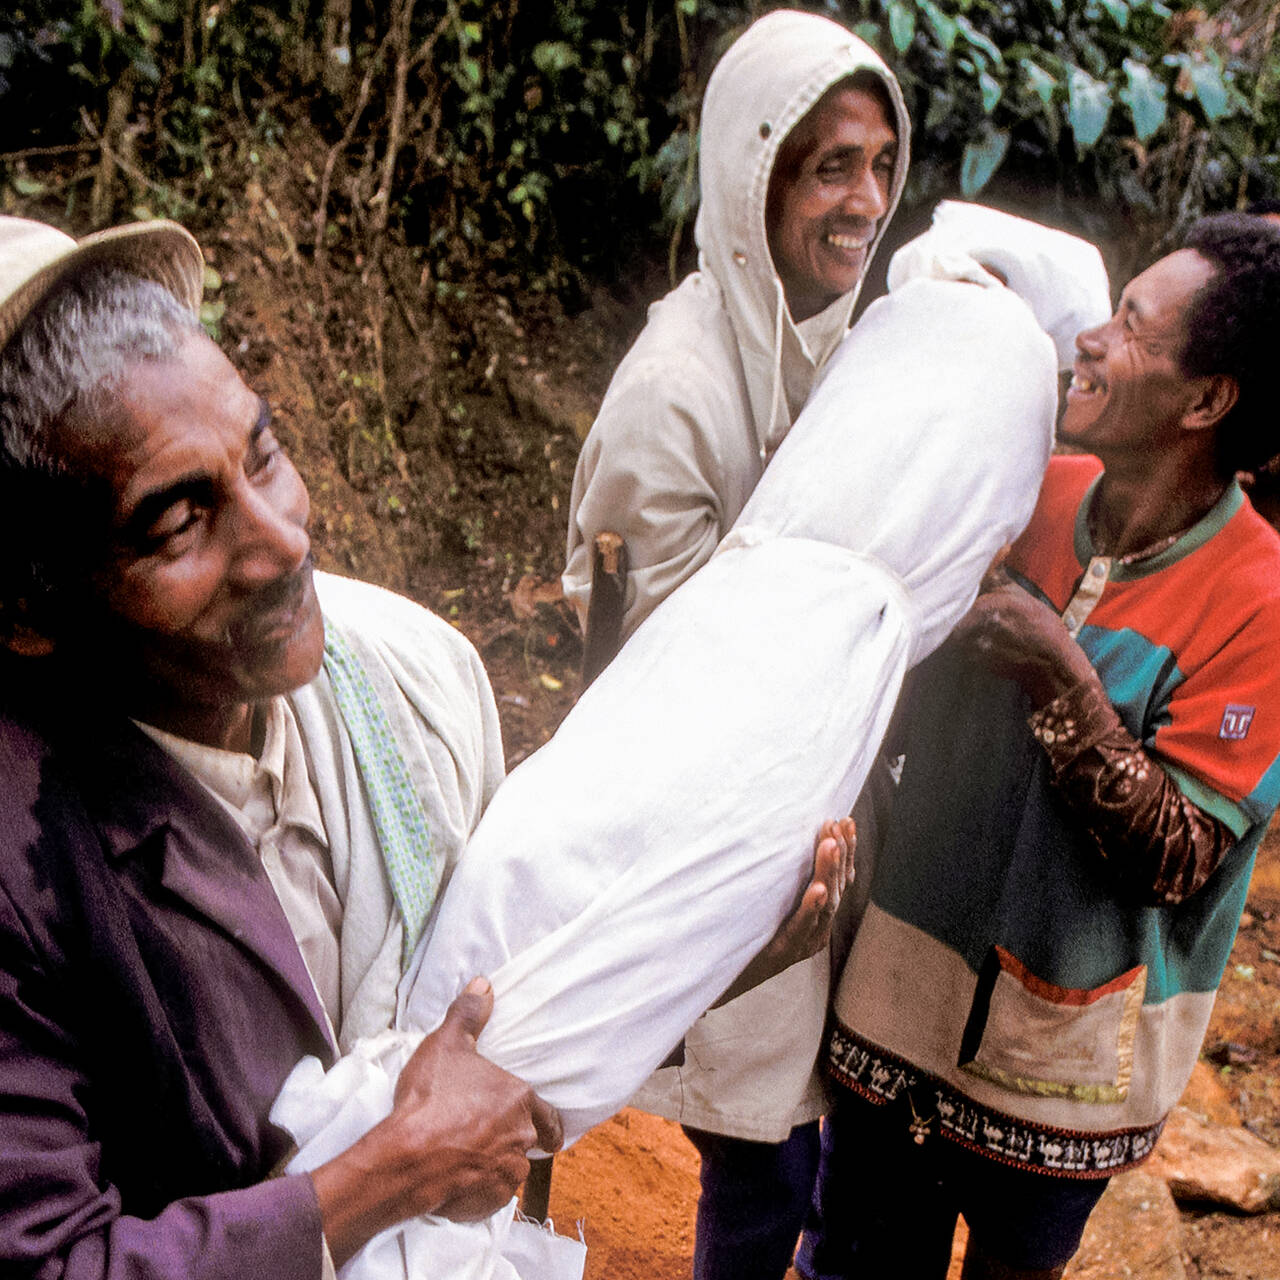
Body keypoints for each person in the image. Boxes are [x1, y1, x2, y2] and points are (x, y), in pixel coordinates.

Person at [0, 214, 566, 1278]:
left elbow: (499, 987)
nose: (284, 540)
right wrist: (389, 1173)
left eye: (263, 453)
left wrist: (707, 952)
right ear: (26, 610)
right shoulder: (22, 856)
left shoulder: (409, 685)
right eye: (179, 524)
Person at [797, 213, 1280, 1280]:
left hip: (1064, 1073)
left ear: (1205, 401)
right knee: (847, 1261)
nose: (1091, 341)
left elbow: (1176, 858)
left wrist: (1055, 668)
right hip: (895, 1007)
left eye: (1130, 328)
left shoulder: (1258, 601)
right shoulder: (1025, 488)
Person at [561, 12, 909, 1277]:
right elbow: (656, 668)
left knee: (803, 1140)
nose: (864, 199)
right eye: (828, 166)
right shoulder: (675, 394)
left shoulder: (843, 344)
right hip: (721, 823)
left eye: (878, 162)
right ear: (748, 172)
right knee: (757, 1158)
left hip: (822, 811)